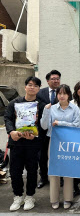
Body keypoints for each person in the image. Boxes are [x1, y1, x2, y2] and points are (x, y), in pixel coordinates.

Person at [4, 77, 45, 211]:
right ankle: (18, 196)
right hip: (16, 143)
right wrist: (11, 132)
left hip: (33, 144)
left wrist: (36, 134)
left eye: (35, 86)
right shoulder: (14, 103)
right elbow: (8, 118)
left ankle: (30, 196)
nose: (32, 87)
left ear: (38, 89)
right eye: (29, 85)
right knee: (15, 172)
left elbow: (44, 125)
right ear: (25, 87)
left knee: (32, 171)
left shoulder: (42, 106)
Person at [40, 84, 80, 209]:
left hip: (69, 143)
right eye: (59, 93)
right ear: (56, 95)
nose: (62, 96)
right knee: (54, 171)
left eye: (64, 93)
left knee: (68, 170)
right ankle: (54, 199)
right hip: (54, 142)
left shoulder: (74, 108)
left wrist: (60, 123)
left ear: (69, 95)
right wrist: (46, 112)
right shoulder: (51, 108)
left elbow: (77, 125)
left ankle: (68, 198)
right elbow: (44, 126)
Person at [36, 70, 61, 189]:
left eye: (58, 78)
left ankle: (59, 177)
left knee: (58, 155)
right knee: (42, 156)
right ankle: (43, 177)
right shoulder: (40, 93)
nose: (56, 81)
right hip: (43, 130)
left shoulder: (63, 92)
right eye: (53, 79)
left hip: (58, 130)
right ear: (47, 80)